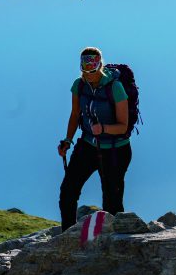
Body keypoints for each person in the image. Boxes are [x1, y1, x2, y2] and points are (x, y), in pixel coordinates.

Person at [57, 47, 132, 231]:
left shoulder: (116, 87)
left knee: (112, 201)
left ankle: (114, 240)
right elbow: (75, 114)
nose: (88, 74)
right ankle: (68, 235)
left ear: (99, 65)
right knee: (68, 191)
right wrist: (67, 140)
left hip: (116, 149)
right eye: (84, 70)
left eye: (92, 70)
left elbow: (123, 126)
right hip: (88, 145)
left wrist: (104, 128)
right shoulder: (79, 85)